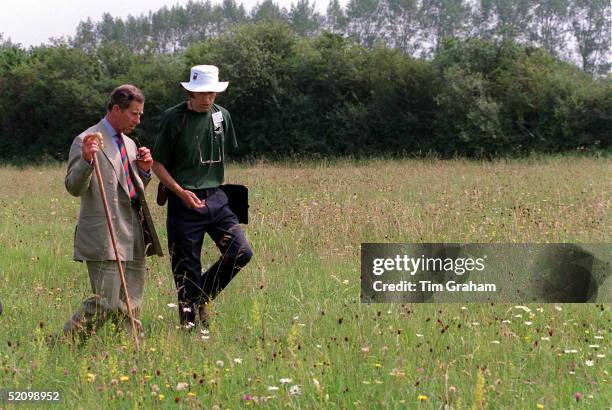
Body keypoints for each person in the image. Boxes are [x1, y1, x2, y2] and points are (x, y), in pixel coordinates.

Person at [152, 65, 252, 329]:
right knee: (187, 269)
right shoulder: (173, 118)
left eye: (213, 93)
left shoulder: (222, 117)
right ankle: (189, 330)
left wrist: (217, 190)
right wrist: (181, 193)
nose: (208, 99)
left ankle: (202, 297)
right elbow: (157, 164)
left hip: (217, 197)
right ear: (189, 92)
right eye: (202, 93)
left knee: (241, 253)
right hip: (182, 199)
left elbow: (220, 154)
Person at [61, 84, 163, 342]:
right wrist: (86, 161)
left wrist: (145, 170)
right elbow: (74, 187)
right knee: (104, 303)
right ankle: (62, 344)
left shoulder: (129, 144)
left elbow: (130, 191)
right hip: (103, 234)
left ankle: (132, 354)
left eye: (140, 114)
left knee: (131, 304)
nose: (138, 120)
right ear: (116, 109)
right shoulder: (87, 140)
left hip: (134, 232)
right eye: (134, 114)